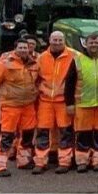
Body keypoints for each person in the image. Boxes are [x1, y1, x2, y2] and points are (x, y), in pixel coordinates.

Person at [0, 38, 39, 177]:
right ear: (15, 48)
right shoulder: (6, 62)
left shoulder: (34, 62)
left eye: (26, 48)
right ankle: (0, 166)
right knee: (7, 135)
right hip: (10, 105)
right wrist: (6, 93)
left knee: (28, 134)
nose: (24, 50)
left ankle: (23, 160)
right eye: (21, 48)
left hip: (28, 104)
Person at [65, 34, 98, 173]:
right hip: (83, 104)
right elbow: (69, 83)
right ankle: (82, 161)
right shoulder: (77, 59)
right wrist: (69, 103)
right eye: (90, 42)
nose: (93, 45)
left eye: (96, 42)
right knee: (82, 134)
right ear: (85, 44)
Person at [33, 31, 77, 174]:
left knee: (65, 132)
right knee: (42, 132)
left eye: (59, 40)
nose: (57, 42)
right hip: (45, 101)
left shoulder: (74, 56)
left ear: (64, 41)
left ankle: (64, 162)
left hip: (63, 101)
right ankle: (40, 162)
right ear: (49, 41)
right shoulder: (42, 58)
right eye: (54, 40)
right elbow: (35, 77)